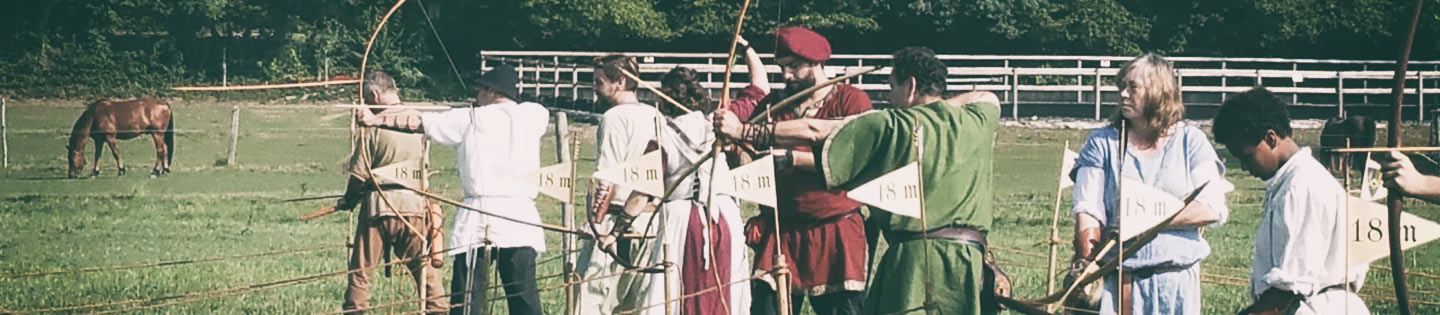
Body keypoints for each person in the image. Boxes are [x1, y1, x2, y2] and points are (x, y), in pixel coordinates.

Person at [717, 46, 1003, 315]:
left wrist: (745, 131)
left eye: (893, 87)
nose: (891, 98)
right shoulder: (979, 119)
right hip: (969, 261)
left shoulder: (894, 125)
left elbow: (815, 130)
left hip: (915, 264)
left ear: (911, 86)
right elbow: (988, 96)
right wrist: (935, 112)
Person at [356, 64, 549, 315]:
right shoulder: (534, 115)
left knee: (468, 299)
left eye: (480, 90)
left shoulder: (469, 118)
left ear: (491, 91)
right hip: (520, 218)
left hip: (481, 215)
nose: (477, 96)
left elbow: (414, 121)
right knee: (523, 296)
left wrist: (374, 119)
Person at [1069, 53, 1231, 314]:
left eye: (1132, 87)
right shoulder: (1102, 143)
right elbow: (1088, 208)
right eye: (1121, 86)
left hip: (1176, 281)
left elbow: (1211, 207)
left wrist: (1145, 217)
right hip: (1120, 282)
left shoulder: (1191, 141)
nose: (1123, 94)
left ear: (1159, 91)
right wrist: (1085, 261)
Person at [740, 25, 873, 315]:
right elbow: (745, 150)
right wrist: (736, 147)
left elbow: (854, 162)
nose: (786, 75)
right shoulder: (775, 105)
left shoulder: (850, 100)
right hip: (781, 230)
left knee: (842, 309)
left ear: (816, 63)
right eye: (782, 67)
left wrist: (791, 159)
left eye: (794, 67)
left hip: (835, 230)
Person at [1212, 87, 1370, 315]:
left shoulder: (1301, 187)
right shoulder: (1291, 182)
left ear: (1270, 138)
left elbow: (1286, 291)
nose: (1245, 168)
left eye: (1247, 157)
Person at [337, 70, 447, 314]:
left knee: (361, 273)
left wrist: (348, 200)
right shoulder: (417, 120)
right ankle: (438, 308)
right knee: (425, 273)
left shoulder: (371, 125)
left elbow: (358, 174)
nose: (365, 105)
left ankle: (355, 310)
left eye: (367, 98)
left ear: (375, 95)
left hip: (379, 206)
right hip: (414, 205)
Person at [574, 54, 668, 315]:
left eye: (599, 81)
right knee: (633, 307)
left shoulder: (614, 117)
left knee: (588, 303)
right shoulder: (656, 115)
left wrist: (593, 221)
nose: (595, 87)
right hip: (649, 224)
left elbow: (608, 176)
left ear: (620, 81)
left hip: (615, 225)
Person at [653, 66, 752, 315]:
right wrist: (749, 52)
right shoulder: (718, 125)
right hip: (724, 217)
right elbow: (757, 92)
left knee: (678, 290)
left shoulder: (664, 134)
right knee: (718, 292)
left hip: (682, 219)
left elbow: (644, 189)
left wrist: (620, 225)